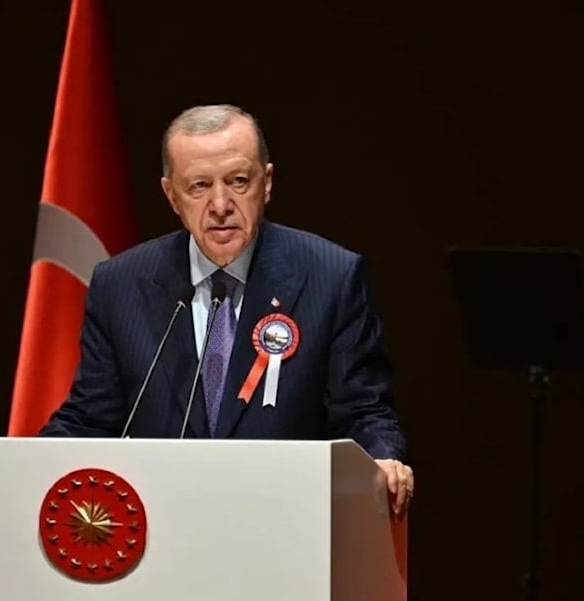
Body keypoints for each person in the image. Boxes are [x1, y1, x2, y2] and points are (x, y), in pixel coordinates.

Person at [39, 104, 415, 518]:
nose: (220, 204)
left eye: (238, 181)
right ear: (172, 196)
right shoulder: (120, 285)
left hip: (285, 522)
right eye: (199, 186)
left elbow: (363, 412)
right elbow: (91, 418)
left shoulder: (331, 277)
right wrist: (24, 471)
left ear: (266, 183)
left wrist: (382, 460)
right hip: (160, 527)